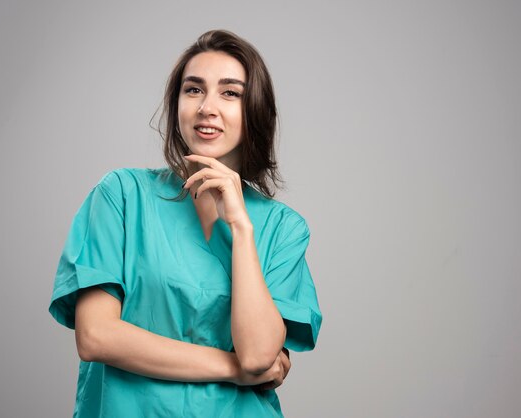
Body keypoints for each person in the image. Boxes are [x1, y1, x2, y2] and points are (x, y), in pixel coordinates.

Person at [49, 29, 322, 417]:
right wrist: (233, 370)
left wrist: (241, 229)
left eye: (230, 93)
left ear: (255, 110)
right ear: (176, 103)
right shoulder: (122, 195)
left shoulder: (283, 229)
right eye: (193, 89)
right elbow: (95, 336)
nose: (206, 107)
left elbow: (260, 355)